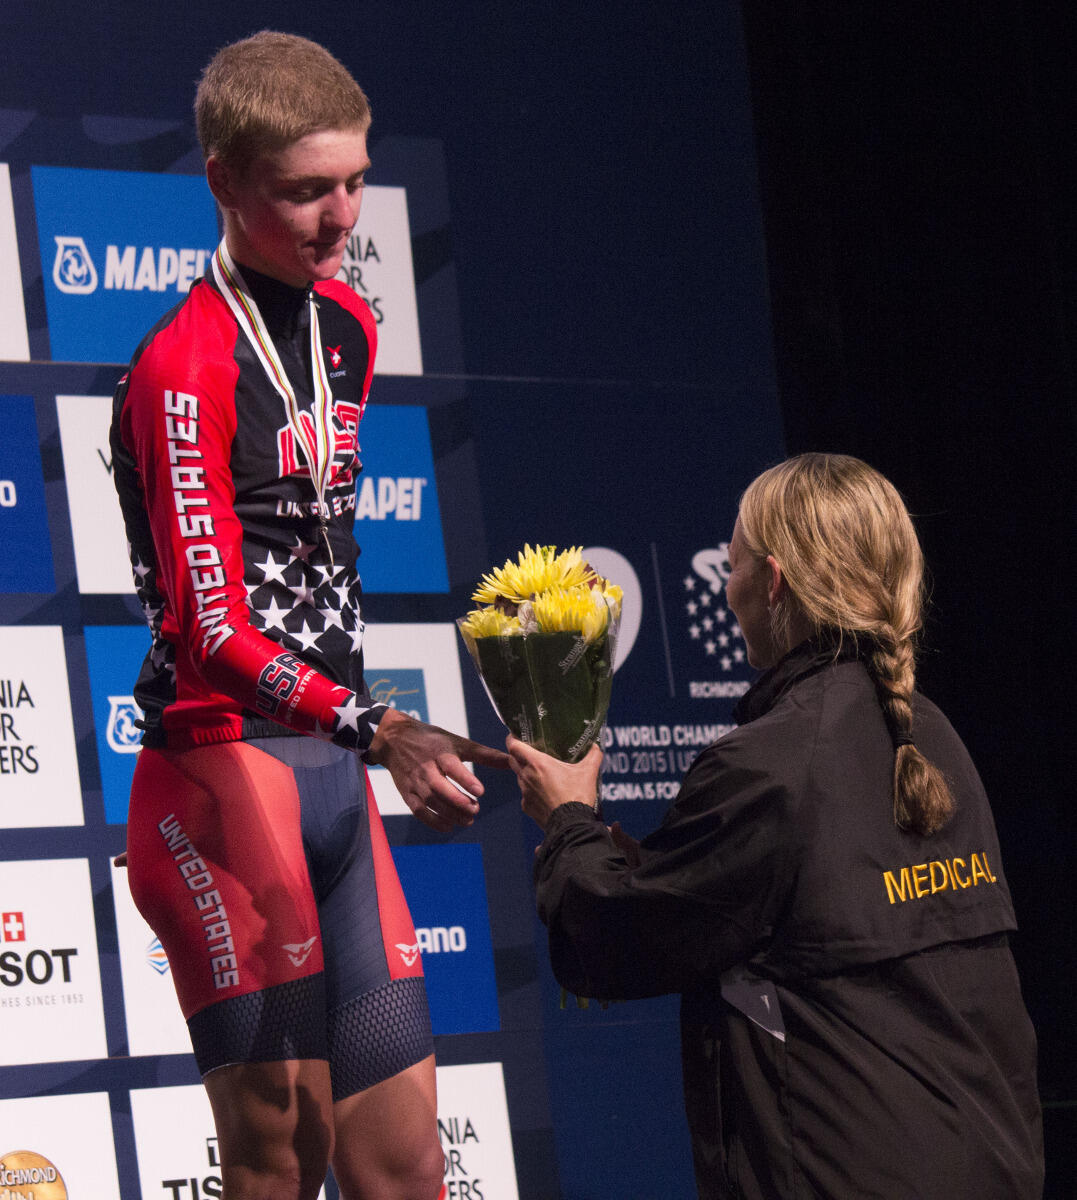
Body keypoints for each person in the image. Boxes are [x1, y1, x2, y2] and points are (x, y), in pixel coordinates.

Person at [109, 31, 506, 1200]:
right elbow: (213, 630)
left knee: (405, 1162)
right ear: (226, 183)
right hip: (222, 779)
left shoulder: (350, 329)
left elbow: (318, 559)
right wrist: (380, 729)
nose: (342, 220)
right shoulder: (185, 368)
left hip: (329, 777)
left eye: (354, 182)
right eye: (304, 192)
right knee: (283, 1157)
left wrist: (358, 738)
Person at [508, 453, 1044, 1198]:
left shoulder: (768, 762)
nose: (722, 591)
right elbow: (784, 912)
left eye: (728, 566)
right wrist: (650, 863)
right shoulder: (932, 736)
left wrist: (567, 819)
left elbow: (617, 943)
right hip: (993, 1166)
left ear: (773, 581)